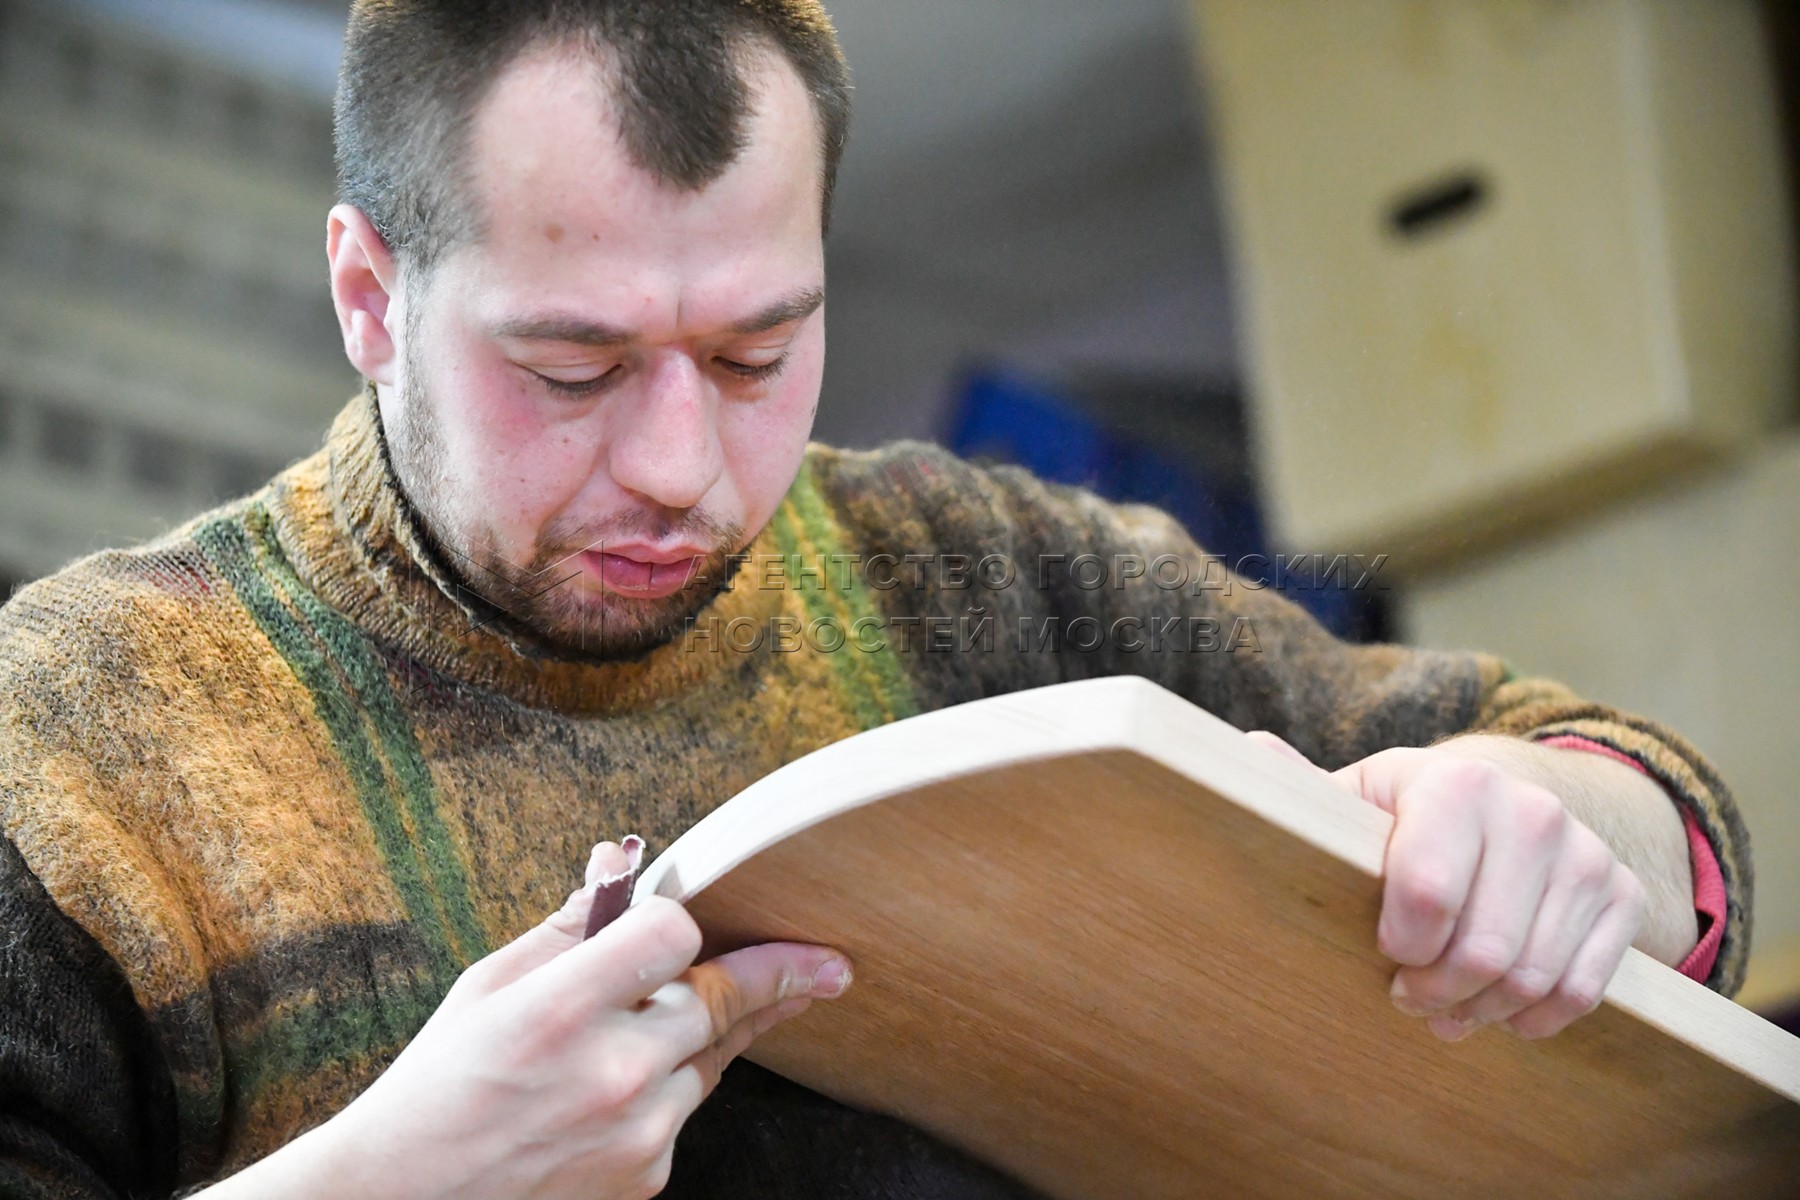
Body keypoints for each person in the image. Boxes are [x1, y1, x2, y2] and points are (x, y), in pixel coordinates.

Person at [0, 1, 1745, 1197]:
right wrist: (390, 1179)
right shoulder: (80, 741)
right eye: (573, 368)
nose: (680, 467)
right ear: (370, 298)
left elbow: (1653, 807)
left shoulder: (980, 579)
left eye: (757, 352)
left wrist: (1549, 821)